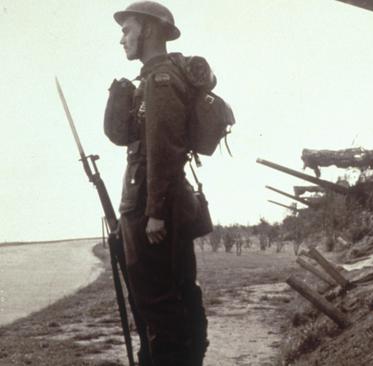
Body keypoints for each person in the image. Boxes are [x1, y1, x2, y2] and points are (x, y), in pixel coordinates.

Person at [104, 1, 212, 365]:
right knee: (176, 296)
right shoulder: (153, 79)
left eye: (127, 29)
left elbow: (163, 148)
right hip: (159, 203)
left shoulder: (160, 79)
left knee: (158, 304)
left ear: (148, 30)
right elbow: (129, 137)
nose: (122, 39)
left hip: (155, 209)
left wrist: (155, 213)